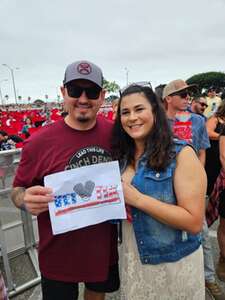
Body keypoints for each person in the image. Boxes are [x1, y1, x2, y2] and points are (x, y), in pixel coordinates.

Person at [11, 60, 119, 300]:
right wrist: (24, 200)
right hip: (58, 254)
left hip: (102, 249)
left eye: (91, 92)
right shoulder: (38, 143)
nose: (83, 99)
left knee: (96, 295)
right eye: (74, 91)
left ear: (102, 96)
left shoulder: (116, 134)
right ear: (63, 93)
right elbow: (17, 190)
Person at [112, 83, 206, 299]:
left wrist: (137, 199)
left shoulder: (181, 154)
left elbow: (193, 221)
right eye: (125, 112)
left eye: (139, 109)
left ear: (155, 111)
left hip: (172, 264)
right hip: (134, 256)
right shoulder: (121, 157)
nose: (132, 117)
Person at [163, 79, 225, 300]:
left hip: (192, 187)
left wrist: (198, 180)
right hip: (165, 185)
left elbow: (201, 151)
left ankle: (208, 278)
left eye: (188, 93)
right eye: (181, 94)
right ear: (168, 98)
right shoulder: (157, 122)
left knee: (201, 231)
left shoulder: (198, 121)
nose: (187, 97)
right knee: (169, 233)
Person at [205, 102, 225, 196]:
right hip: (213, 154)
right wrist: (222, 137)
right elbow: (208, 132)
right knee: (212, 178)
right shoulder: (215, 118)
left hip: (221, 154)